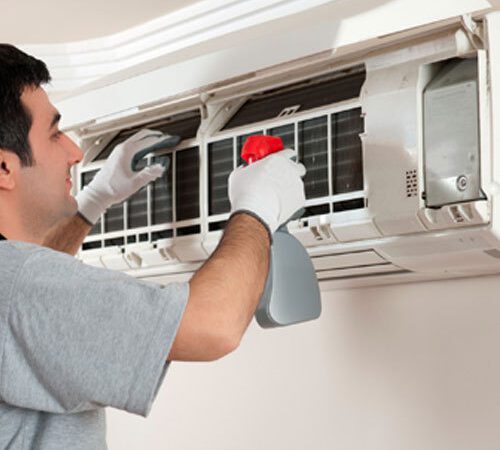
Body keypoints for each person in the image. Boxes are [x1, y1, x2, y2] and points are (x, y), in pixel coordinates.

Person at [0, 44, 306, 450]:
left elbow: (31, 309)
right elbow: (213, 325)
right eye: (54, 134)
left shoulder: (16, 286)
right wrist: (257, 208)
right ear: (4, 167)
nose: (75, 151)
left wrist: (94, 202)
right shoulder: (19, 285)